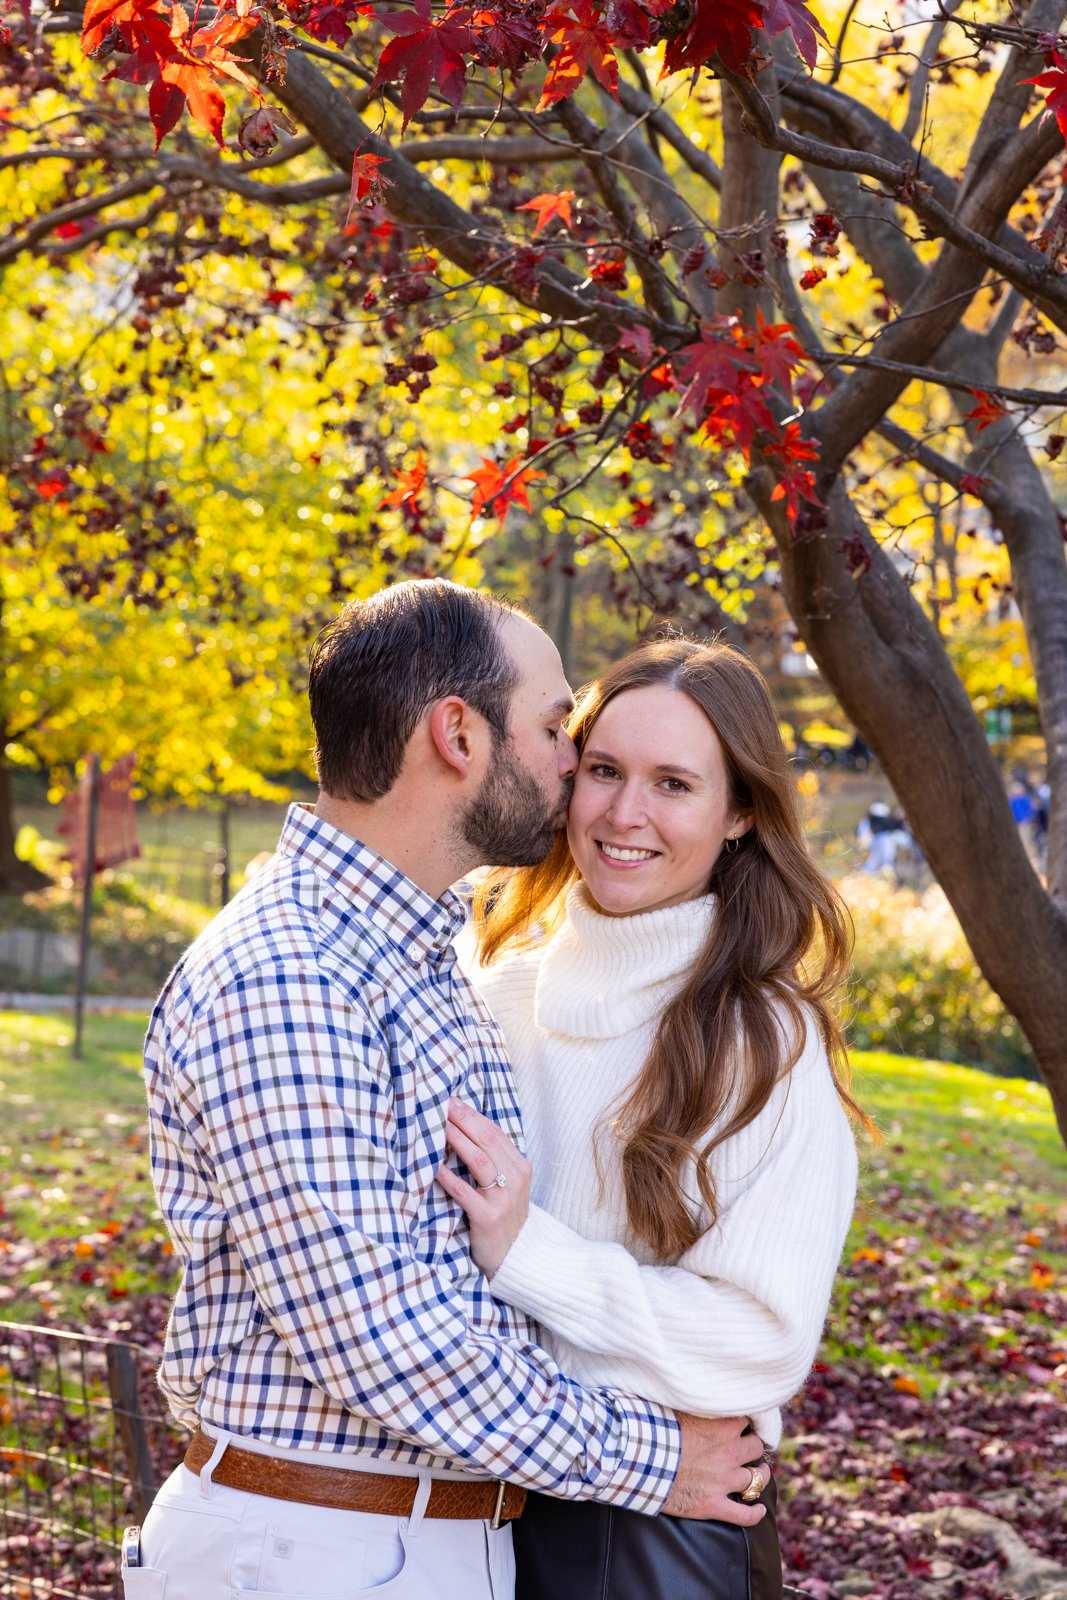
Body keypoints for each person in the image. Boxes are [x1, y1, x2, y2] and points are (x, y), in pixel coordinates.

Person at [130, 584, 767, 1600]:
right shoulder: (291, 975)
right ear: (459, 734)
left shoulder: (425, 955)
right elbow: (378, 1342)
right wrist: (656, 1457)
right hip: (313, 1550)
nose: (575, 761)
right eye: (557, 725)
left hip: (408, 1542)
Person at [441, 638, 865, 1600]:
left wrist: (528, 1254)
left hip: (645, 1530)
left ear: (740, 813)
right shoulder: (492, 991)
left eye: (673, 783)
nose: (624, 814)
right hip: (467, 1498)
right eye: (602, 771)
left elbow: (760, 1338)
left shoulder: (765, 1044)